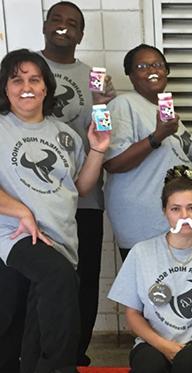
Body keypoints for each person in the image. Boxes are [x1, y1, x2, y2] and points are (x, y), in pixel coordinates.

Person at [0, 49, 110, 373]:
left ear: (46, 87)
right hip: (16, 234)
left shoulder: (64, 134)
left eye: (34, 79)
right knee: (58, 279)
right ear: (5, 88)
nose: (26, 86)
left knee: (36, 323)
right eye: (16, 80)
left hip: (59, 236)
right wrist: (20, 210)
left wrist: (98, 150)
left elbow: (81, 186)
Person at [40, 1, 117, 364]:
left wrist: (103, 104)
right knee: (37, 276)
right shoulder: (27, 69)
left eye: (72, 23)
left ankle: (76, 353)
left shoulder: (92, 76)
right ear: (45, 25)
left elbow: (98, 134)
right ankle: (38, 352)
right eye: (57, 19)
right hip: (36, 196)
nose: (63, 27)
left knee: (84, 278)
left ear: (81, 34)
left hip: (85, 195)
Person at [108, 165, 192, 373]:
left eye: (191, 208)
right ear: (165, 212)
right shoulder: (141, 252)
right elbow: (132, 314)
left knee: (188, 364)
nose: (184, 216)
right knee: (149, 366)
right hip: (153, 343)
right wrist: (165, 346)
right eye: (176, 209)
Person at [104, 44, 192, 261]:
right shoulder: (123, 104)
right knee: (151, 290)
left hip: (175, 220)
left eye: (157, 65)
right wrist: (156, 137)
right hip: (144, 222)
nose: (152, 70)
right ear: (130, 75)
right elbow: (113, 162)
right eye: (142, 66)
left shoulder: (167, 111)